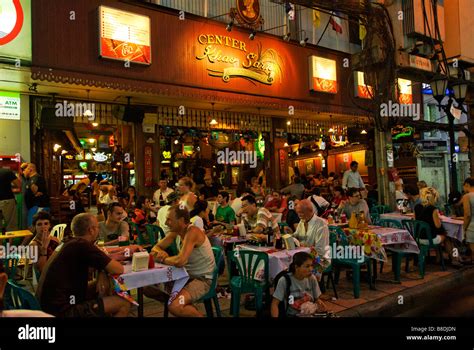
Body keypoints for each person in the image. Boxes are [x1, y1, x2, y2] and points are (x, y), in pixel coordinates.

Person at [36, 213, 131, 317]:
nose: (98, 230)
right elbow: (118, 269)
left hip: (46, 304)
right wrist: (104, 269)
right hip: (61, 311)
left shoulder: (67, 242)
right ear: (91, 230)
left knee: (105, 286)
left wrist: (102, 272)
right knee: (124, 303)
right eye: (97, 227)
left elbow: (98, 265)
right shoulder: (83, 245)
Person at [145, 206, 215, 317]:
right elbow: (155, 247)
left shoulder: (192, 232)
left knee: (175, 305)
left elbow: (180, 261)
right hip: (184, 276)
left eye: (169, 219)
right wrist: (160, 252)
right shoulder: (176, 232)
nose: (166, 222)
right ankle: (183, 306)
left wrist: (162, 258)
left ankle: (178, 305)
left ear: (181, 220)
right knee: (146, 287)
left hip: (202, 280)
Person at [271, 252, 325, 318]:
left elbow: (316, 299)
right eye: (307, 266)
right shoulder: (285, 280)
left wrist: (319, 303)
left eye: (311, 266)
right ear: (296, 267)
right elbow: (275, 304)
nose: (311, 269)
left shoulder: (312, 278)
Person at [292, 200, 330, 271]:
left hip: (319, 260)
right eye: (298, 213)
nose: (299, 215)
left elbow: (320, 250)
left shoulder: (321, 224)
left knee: (296, 268)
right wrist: (290, 236)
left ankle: (308, 281)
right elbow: (296, 236)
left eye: (301, 213)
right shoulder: (302, 221)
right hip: (303, 256)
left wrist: (304, 248)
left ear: (310, 211)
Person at [28, 211, 59, 275]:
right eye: (39, 224)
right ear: (34, 227)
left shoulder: (54, 240)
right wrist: (44, 248)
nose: (43, 227)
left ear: (50, 225)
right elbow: (41, 270)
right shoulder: (33, 245)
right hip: (45, 277)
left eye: (46, 223)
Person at [462, 178, 474, 264]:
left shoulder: (467, 196)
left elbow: (467, 214)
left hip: (472, 225)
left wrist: (464, 228)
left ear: (467, 185)